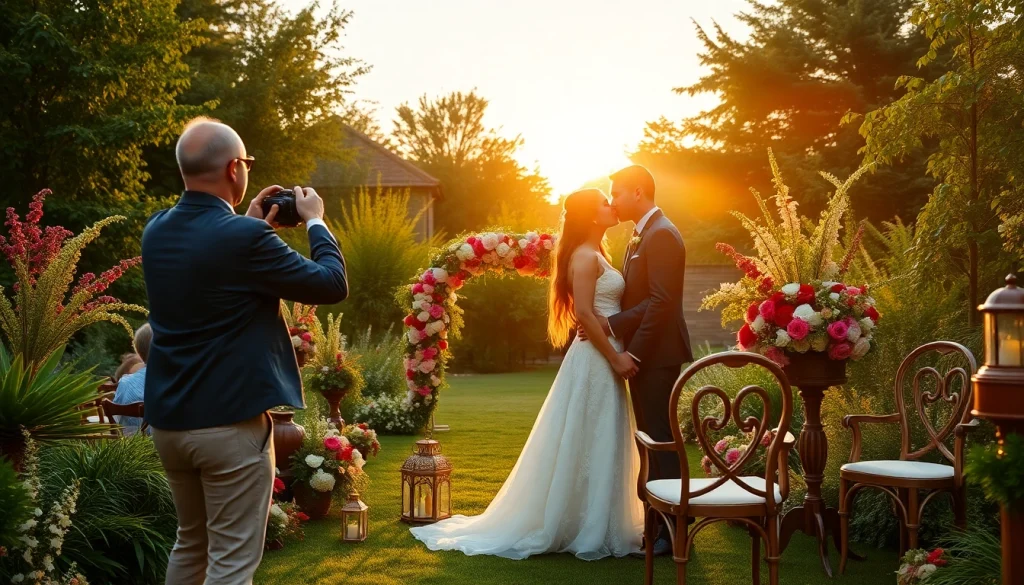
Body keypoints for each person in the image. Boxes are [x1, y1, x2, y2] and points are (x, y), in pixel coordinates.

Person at [142, 117, 348, 585]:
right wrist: (316, 219)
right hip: (229, 427)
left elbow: (210, 260)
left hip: (171, 422)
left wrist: (249, 220)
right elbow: (332, 285)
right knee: (232, 564)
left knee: (191, 544)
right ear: (235, 169)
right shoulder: (246, 238)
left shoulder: (156, 231)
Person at [410, 188, 643, 560]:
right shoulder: (584, 256)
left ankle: (598, 520)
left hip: (605, 353)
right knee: (589, 434)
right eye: (603, 202)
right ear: (589, 215)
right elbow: (583, 313)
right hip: (598, 360)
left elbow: (598, 312)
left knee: (600, 435)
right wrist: (616, 360)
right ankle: (584, 526)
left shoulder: (598, 253)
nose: (610, 205)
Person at [580, 165, 692, 556]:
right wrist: (610, 323)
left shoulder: (662, 234)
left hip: (656, 355)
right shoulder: (641, 234)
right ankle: (657, 525)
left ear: (639, 192)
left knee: (661, 439)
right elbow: (638, 299)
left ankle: (675, 532)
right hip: (646, 352)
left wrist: (628, 346)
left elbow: (662, 302)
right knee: (651, 438)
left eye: (618, 193)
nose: (613, 200)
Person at [111, 323, 153, 435]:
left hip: (132, 450)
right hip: (166, 449)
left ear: (138, 351)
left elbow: (117, 421)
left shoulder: (124, 383)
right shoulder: (174, 382)